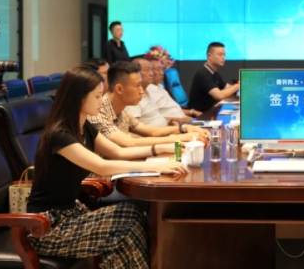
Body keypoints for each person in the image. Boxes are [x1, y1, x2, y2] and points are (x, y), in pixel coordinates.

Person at [27, 66, 188, 268]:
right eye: (97, 96)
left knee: (131, 213)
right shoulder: (59, 135)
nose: (101, 100)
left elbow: (118, 152)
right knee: (126, 226)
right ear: (79, 98)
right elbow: (102, 166)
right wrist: (158, 167)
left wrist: (161, 149)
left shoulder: (84, 127)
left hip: (72, 214)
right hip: (47, 227)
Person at [87, 62, 209, 149]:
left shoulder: (122, 112)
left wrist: (184, 128)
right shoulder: (97, 113)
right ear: (119, 89)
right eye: (137, 86)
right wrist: (182, 138)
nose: (141, 91)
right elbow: (130, 143)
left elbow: (152, 131)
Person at [125, 57, 202, 128]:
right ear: (135, 74)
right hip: (164, 133)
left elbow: (158, 118)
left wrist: (173, 122)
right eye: (147, 70)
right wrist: (177, 128)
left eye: (152, 70)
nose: (152, 73)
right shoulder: (133, 98)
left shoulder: (149, 91)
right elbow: (136, 131)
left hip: (172, 127)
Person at [187, 42, 240, 113]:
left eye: (224, 55)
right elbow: (219, 95)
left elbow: (226, 87)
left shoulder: (214, 73)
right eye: (220, 54)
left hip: (212, 111)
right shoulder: (203, 74)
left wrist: (240, 87)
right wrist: (236, 87)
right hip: (201, 115)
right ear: (209, 56)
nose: (223, 58)